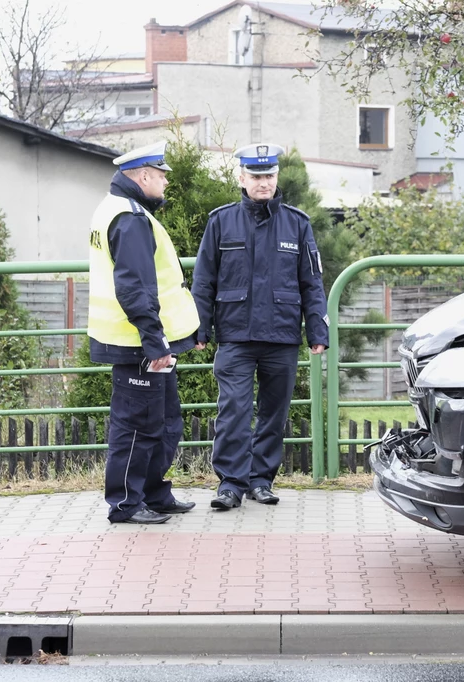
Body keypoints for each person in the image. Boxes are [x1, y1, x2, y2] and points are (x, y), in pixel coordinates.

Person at [191, 143, 329, 510]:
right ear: (242, 177)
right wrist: (200, 329)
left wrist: (317, 331)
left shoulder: (297, 224)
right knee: (234, 409)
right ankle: (231, 484)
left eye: (269, 175)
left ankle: (261, 480)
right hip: (235, 334)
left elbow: (312, 283)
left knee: (274, 411)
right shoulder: (221, 221)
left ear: (277, 177)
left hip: (281, 335)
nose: (263, 182)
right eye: (256, 176)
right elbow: (204, 280)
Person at [87, 140, 201, 524]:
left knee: (164, 422)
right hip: (136, 343)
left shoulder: (119, 209)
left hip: (143, 340)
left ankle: (154, 494)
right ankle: (126, 504)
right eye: (163, 175)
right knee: (137, 427)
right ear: (145, 175)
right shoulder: (130, 217)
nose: (167, 182)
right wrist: (154, 342)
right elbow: (135, 287)